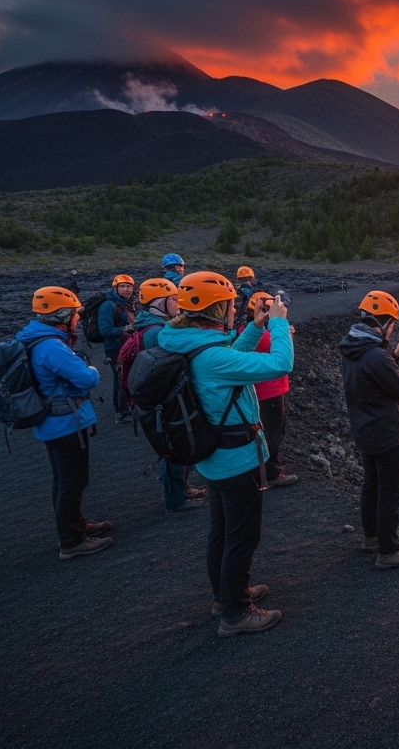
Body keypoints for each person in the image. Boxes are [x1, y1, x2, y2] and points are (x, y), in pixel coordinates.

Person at [157, 271, 293, 637]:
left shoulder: (185, 341)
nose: (236, 308)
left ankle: (225, 595)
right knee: (243, 535)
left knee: (222, 529)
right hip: (236, 459)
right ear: (218, 309)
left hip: (213, 456)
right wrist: (278, 325)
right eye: (232, 304)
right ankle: (236, 613)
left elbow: (228, 357)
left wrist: (254, 327)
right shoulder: (210, 357)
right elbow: (280, 364)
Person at [17, 287, 113, 559]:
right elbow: (86, 379)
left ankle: (76, 527)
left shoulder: (36, 339)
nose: (78, 319)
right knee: (73, 481)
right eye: (74, 314)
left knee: (63, 481)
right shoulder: (51, 346)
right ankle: (72, 541)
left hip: (50, 423)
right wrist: (92, 369)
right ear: (61, 315)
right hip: (64, 424)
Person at [339, 290, 399, 568]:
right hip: (386, 434)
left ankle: (371, 537)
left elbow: (374, 380)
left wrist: (392, 357)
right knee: (390, 491)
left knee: (371, 484)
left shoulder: (353, 348)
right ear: (387, 323)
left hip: (364, 430)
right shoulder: (375, 356)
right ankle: (389, 551)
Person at [133, 278, 207, 512]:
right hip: (168, 398)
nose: (178, 304)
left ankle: (180, 489)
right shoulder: (156, 332)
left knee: (175, 444)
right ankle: (175, 497)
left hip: (165, 396)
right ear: (159, 303)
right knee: (174, 446)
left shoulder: (151, 326)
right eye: (174, 299)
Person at [245, 292, 298, 488]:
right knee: (272, 433)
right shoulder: (264, 336)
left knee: (271, 430)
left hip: (265, 391)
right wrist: (284, 334)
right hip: (269, 391)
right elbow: (283, 358)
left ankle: (265, 467)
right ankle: (271, 473)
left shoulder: (249, 330)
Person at [98, 274, 135, 422]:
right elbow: (105, 330)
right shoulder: (108, 305)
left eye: (129, 286)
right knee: (120, 378)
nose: (126, 289)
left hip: (125, 346)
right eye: (123, 286)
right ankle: (121, 413)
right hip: (114, 348)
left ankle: (126, 408)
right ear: (116, 288)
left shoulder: (126, 303)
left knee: (126, 376)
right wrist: (124, 329)